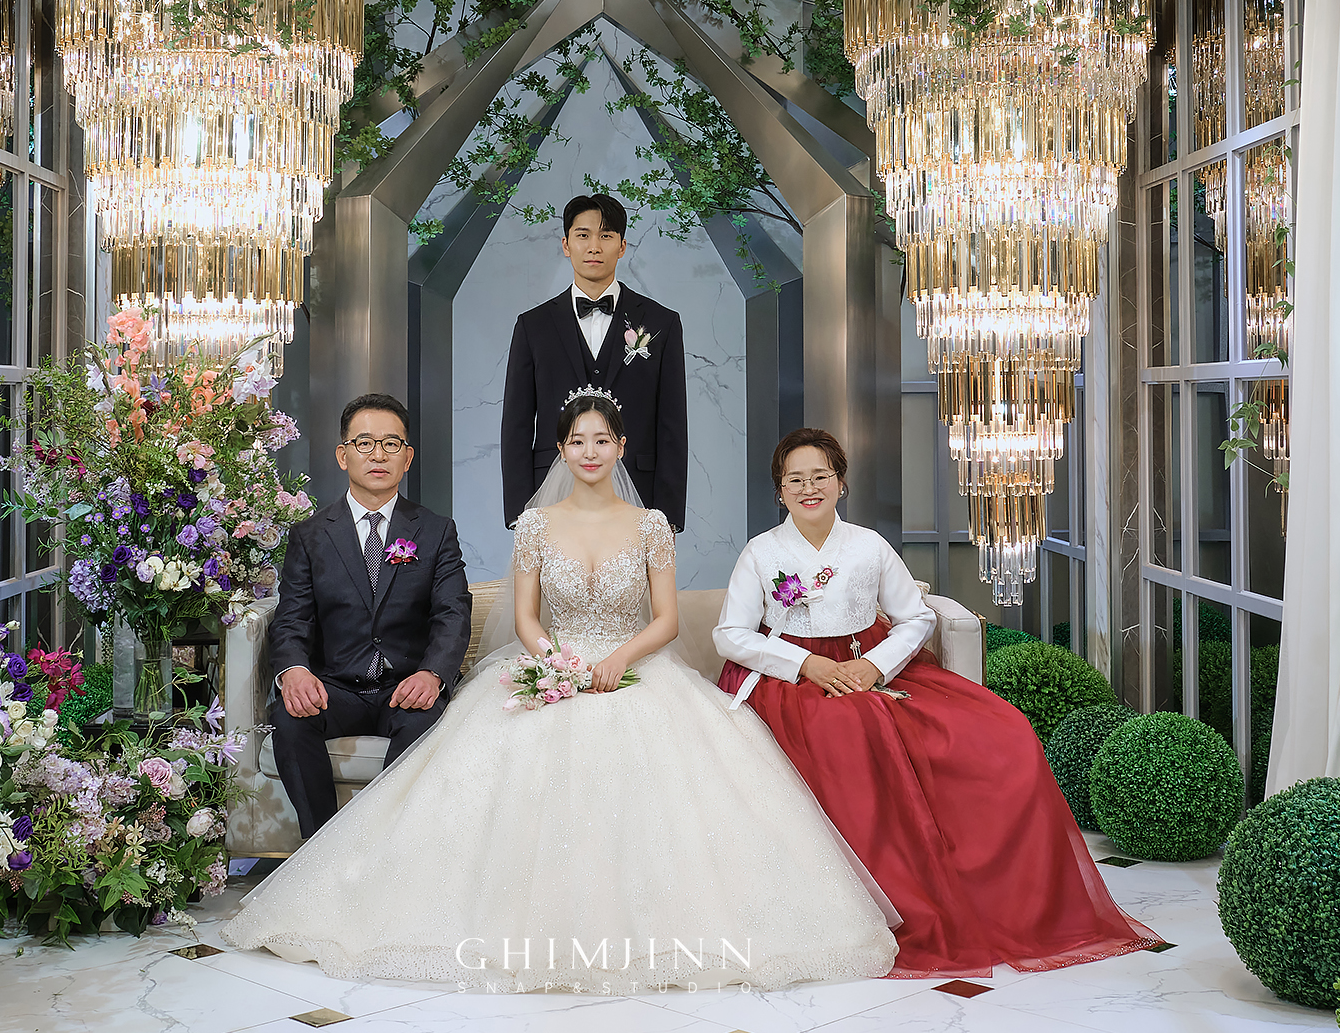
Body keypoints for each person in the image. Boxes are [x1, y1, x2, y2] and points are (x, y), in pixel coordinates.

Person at [221, 393, 899, 991]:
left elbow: (665, 619)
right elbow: (525, 618)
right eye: (578, 441)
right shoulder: (535, 526)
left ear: (621, 447)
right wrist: (556, 665)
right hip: (554, 665)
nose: (590, 451)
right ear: (562, 450)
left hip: (637, 669)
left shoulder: (652, 524)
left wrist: (619, 659)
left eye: (603, 440)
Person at [713, 427, 1163, 979]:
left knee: (1004, 731)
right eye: (795, 480)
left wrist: (873, 665)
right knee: (848, 732)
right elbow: (731, 634)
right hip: (792, 681)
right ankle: (888, 905)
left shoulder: (869, 545)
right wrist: (808, 665)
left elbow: (915, 617)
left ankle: (1005, 896)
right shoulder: (761, 552)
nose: (810, 488)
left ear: (841, 483)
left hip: (867, 666)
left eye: (821, 476)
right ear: (779, 491)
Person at [264, 393, 471, 837]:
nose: (378, 455)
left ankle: (385, 849)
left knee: (428, 723)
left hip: (405, 686)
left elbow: (452, 613)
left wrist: (433, 673)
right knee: (289, 716)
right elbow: (292, 617)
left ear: (407, 458)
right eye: (364, 443)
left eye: (391, 444)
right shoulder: (310, 536)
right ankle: (322, 847)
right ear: (343, 455)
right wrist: (294, 670)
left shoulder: (436, 531)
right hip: (335, 687)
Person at [500, 193, 688, 531]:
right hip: (551, 495)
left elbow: (672, 424)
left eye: (606, 235)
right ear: (566, 244)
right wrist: (519, 513)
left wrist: (669, 517)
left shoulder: (662, 322)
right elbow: (517, 424)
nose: (594, 247)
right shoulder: (533, 326)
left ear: (622, 246)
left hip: (639, 493)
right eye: (583, 235)